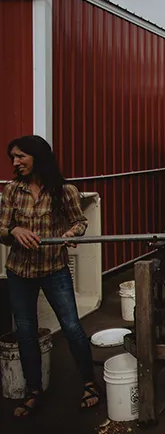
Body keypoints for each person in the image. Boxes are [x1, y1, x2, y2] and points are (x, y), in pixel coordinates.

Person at [0, 135, 100, 417]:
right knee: (27, 332)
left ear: (38, 156)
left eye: (20, 156)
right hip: (19, 272)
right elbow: (2, 229)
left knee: (71, 327)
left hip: (54, 269)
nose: (15, 163)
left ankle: (89, 384)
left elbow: (79, 221)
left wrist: (71, 233)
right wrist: (13, 232)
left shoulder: (64, 190)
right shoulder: (12, 190)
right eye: (13, 158)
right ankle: (34, 391)